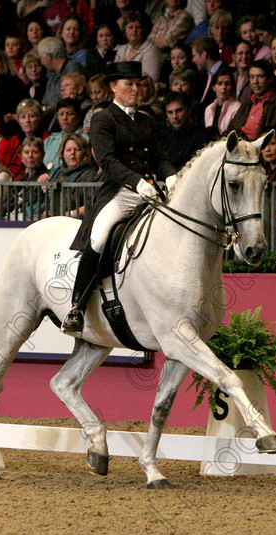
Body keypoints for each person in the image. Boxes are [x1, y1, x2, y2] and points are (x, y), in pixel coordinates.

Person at [62, 61, 176, 335]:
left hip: (150, 192)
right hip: (121, 193)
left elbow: (159, 157)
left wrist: (171, 176)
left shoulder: (148, 121)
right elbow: (107, 160)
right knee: (99, 238)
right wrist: (137, 182)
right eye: (130, 84)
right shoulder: (104, 118)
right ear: (114, 87)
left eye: (139, 84)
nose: (136, 89)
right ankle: (76, 307)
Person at [229, 60, 276, 141]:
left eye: (260, 76)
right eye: (252, 77)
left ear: (270, 78)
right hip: (240, 145)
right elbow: (233, 127)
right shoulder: (247, 102)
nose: (255, 81)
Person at [158, 92, 211, 172]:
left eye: (179, 111)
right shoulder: (163, 135)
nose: (174, 116)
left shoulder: (202, 135)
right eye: (170, 112)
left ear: (189, 110)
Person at [115, 11, 163, 82]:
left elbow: (151, 79)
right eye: (130, 27)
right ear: (125, 30)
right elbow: (115, 74)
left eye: (138, 27)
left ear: (144, 30)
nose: (134, 30)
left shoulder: (151, 50)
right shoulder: (122, 49)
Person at [43, 98, 86, 175]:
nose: (64, 118)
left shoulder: (85, 139)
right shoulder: (49, 141)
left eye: (70, 114)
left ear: (78, 117)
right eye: (61, 114)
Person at [40, 37, 86, 108]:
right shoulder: (53, 76)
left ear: (48, 57)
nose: (41, 63)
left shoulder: (73, 68)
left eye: (41, 58)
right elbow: (45, 102)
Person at [203, 67, 241, 138]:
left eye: (227, 84)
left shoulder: (237, 107)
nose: (224, 87)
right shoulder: (208, 109)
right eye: (220, 83)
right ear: (213, 87)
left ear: (232, 87)